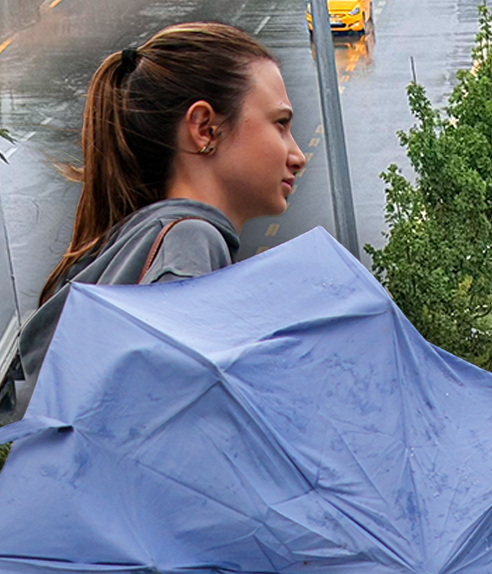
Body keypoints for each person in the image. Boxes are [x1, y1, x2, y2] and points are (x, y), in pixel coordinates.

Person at [16, 22, 307, 407]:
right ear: (205, 129)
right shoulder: (189, 249)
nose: (297, 156)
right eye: (280, 125)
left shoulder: (137, 242)